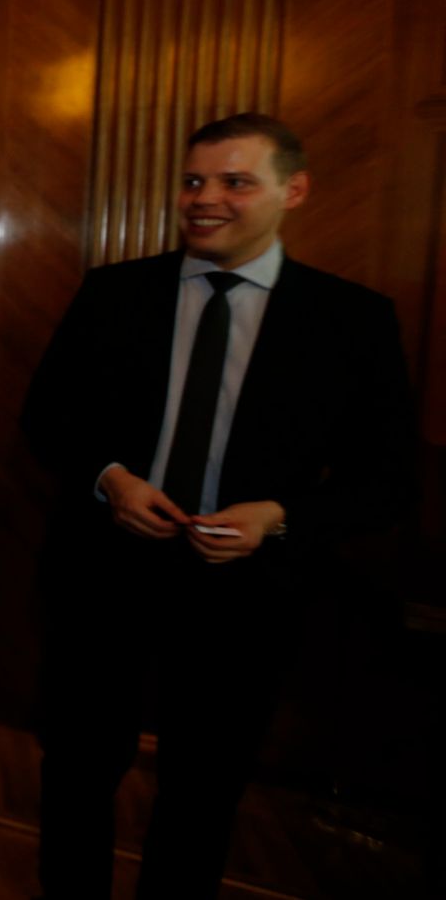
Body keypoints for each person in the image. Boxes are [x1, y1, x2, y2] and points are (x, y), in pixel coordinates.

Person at [22, 113, 416, 899]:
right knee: (75, 778)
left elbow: (389, 480)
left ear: (292, 190)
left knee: (201, 795)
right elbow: (44, 419)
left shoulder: (352, 319)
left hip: (247, 596)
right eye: (195, 180)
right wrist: (112, 478)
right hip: (104, 578)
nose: (205, 198)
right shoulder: (114, 293)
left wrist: (278, 515)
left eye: (236, 181)